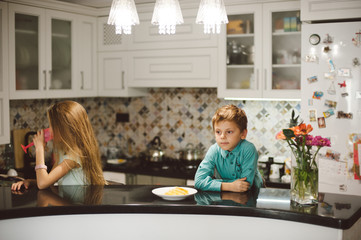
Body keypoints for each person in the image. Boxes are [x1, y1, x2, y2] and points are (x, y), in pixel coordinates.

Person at [12, 100, 105, 191]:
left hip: (75, 206)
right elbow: (48, 181)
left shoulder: (73, 156)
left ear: (64, 129)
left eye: (52, 125)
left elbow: (42, 184)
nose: (49, 129)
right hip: (66, 203)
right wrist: (30, 182)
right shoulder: (62, 152)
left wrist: (39, 149)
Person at [194, 104, 263, 192]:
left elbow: (245, 185)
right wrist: (229, 186)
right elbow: (198, 181)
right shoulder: (214, 150)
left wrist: (215, 182)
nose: (222, 136)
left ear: (243, 134)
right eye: (218, 132)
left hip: (252, 196)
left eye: (229, 132)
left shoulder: (248, 149)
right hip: (226, 196)